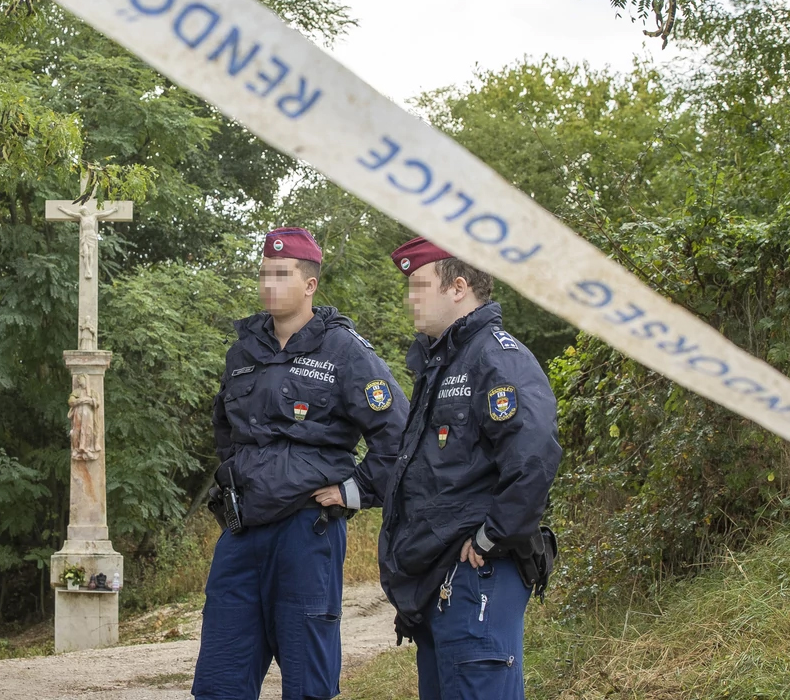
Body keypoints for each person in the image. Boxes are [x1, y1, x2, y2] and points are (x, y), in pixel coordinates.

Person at [193, 227, 410, 700]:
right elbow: (226, 430)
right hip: (242, 531)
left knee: (307, 680)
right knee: (219, 680)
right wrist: (240, 479)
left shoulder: (344, 351)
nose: (268, 284)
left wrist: (353, 490)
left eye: (281, 274)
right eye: (263, 274)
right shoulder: (243, 351)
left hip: (306, 530)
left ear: (310, 284)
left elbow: (398, 435)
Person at [378, 237, 562, 700]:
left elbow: (534, 454)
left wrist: (492, 534)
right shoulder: (441, 365)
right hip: (438, 581)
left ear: (458, 287)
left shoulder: (497, 357)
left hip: (478, 574)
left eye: (420, 285)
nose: (410, 298)